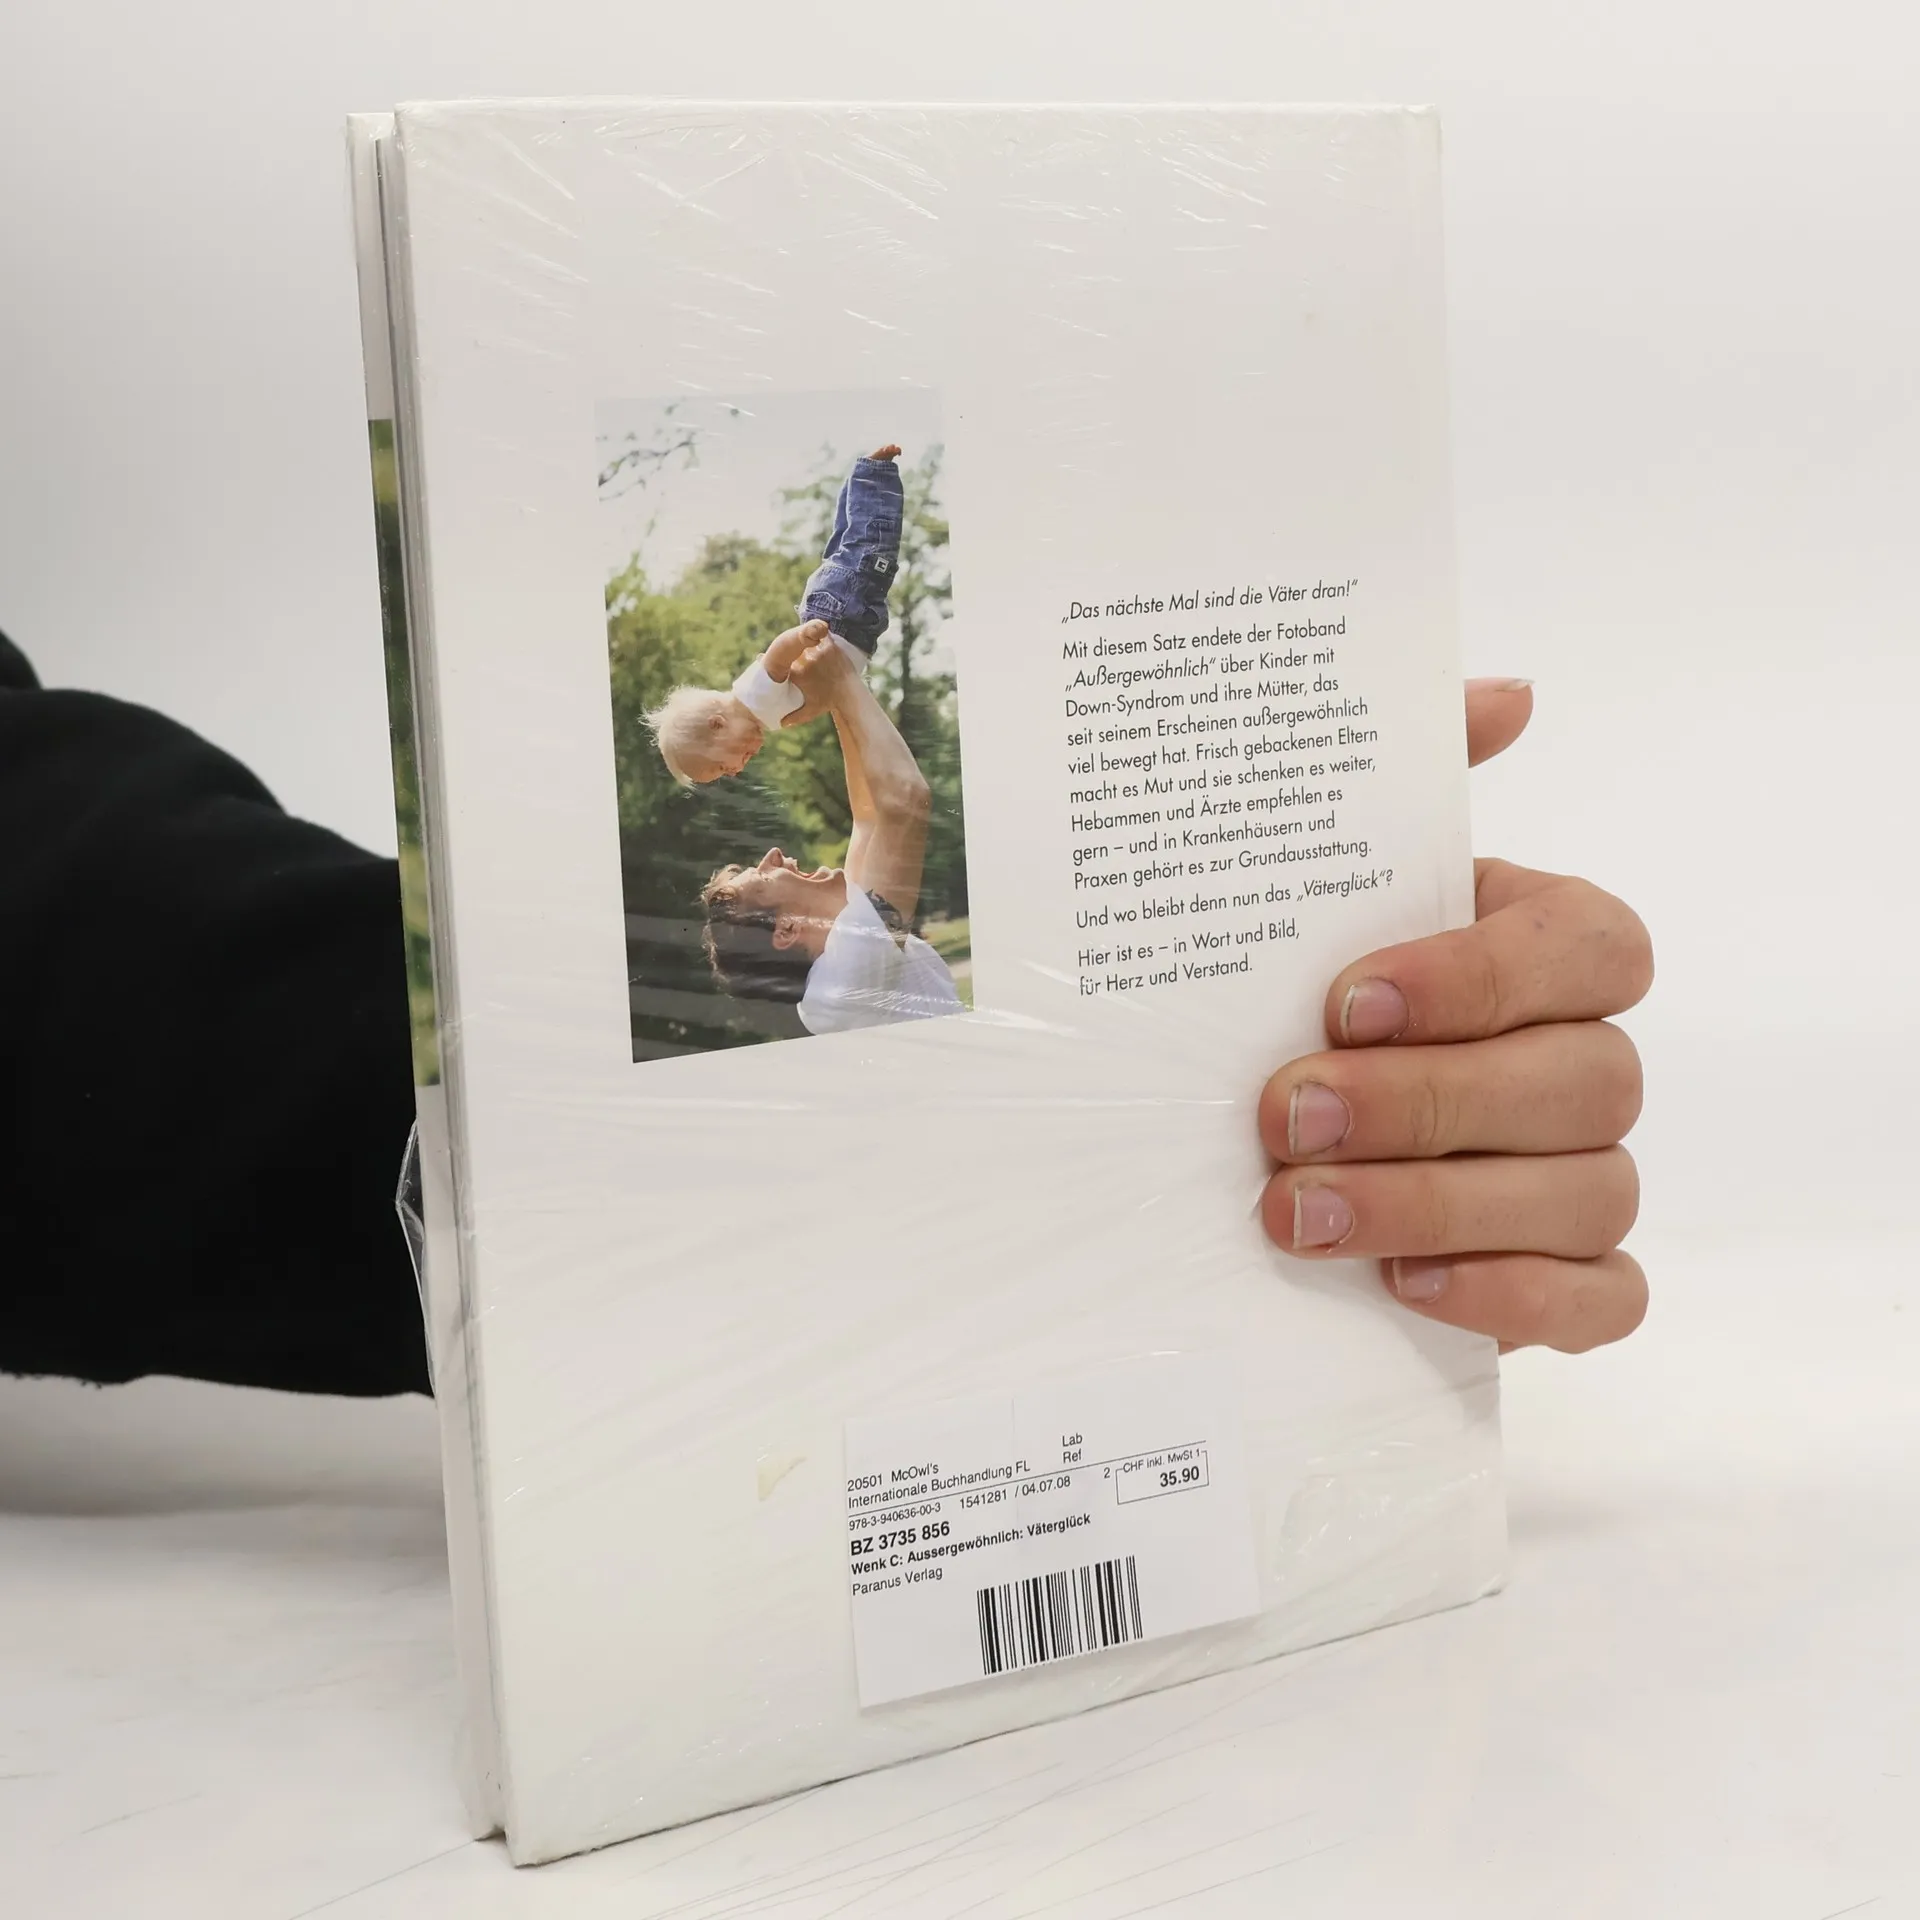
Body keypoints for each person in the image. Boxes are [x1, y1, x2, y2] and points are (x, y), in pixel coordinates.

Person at [0, 635, 1648, 1397]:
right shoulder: (855, 975)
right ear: (791, 933)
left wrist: (1253, 950)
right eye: (776, 872)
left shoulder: (851, 989)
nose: (793, 859)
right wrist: (841, 677)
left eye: (790, 859)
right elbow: (901, 808)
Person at [698, 632, 965, 1034]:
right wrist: (841, 676)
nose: (773, 854)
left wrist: (836, 694)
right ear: (787, 928)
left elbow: (869, 817)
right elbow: (905, 799)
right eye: (764, 876)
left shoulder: (841, 948)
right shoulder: (842, 987)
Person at [642, 445, 906, 785]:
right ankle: (858, 482)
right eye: (727, 773)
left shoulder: (754, 698)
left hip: (838, 616)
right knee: (848, 548)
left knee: (872, 553)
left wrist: (803, 637)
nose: (736, 770)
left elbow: (777, 659)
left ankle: (873, 472)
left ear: (718, 724)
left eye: (722, 766)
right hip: (843, 617)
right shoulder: (762, 711)